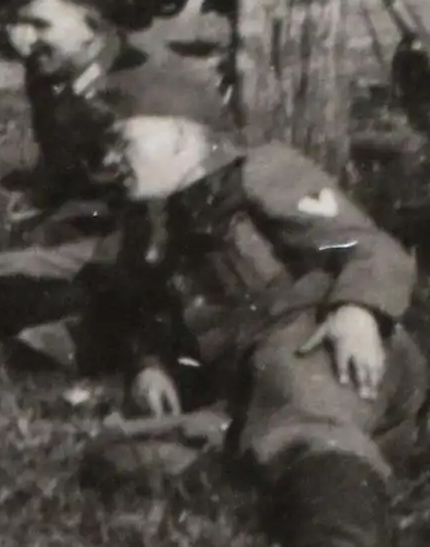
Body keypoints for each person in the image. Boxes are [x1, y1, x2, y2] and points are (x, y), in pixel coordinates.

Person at [87, 115, 427, 547]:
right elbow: (148, 313)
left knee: (299, 405)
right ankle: (283, 466)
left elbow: (369, 246)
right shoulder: (148, 228)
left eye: (125, 143)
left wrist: (358, 310)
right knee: (117, 452)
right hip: (248, 384)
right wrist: (148, 365)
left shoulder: (256, 172)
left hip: (320, 340)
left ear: (180, 145)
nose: (113, 159)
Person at [0, 0, 235, 374]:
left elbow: (174, 225)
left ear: (93, 24)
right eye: (15, 23)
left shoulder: (153, 95)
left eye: (38, 24)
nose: (21, 40)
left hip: (165, 245)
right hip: (103, 229)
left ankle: (109, 336)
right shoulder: (55, 70)